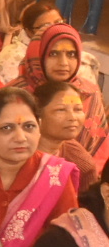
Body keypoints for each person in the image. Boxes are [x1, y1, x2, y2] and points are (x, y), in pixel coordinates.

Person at [0, 87, 79, 247]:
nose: (20, 138)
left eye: (29, 126)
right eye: (7, 128)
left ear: (39, 126)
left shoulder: (54, 174)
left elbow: (67, 238)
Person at [14, 22, 109, 156]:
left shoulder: (88, 93)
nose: (63, 63)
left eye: (71, 54)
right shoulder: (16, 97)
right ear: (38, 54)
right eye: (53, 54)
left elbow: (100, 150)